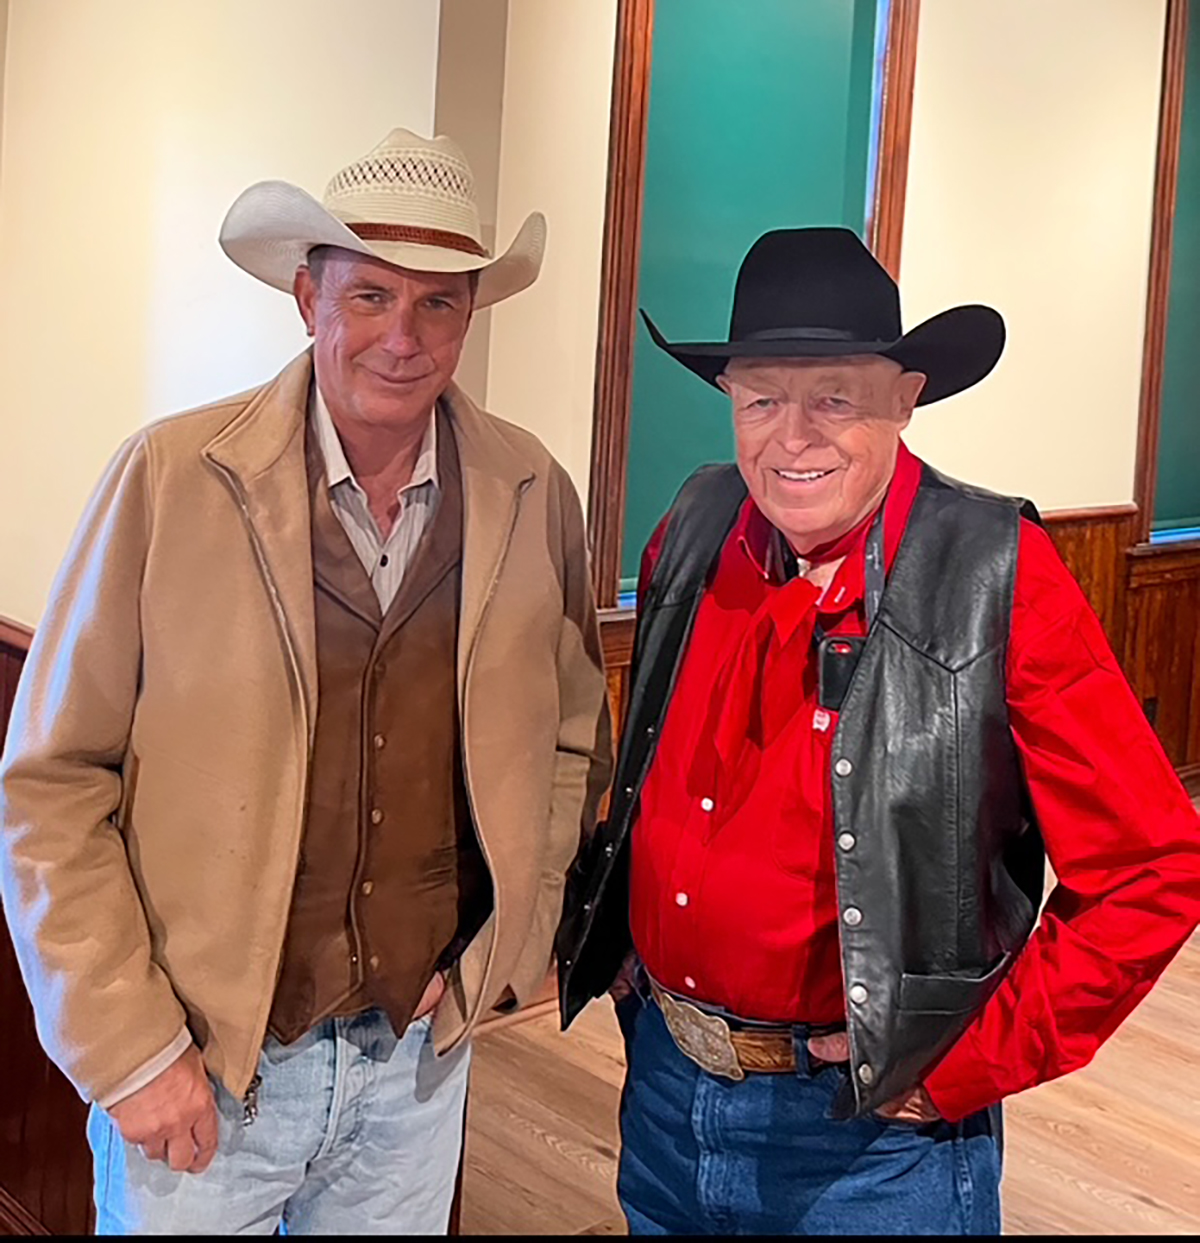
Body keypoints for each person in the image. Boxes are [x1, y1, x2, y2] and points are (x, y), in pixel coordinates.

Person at [0, 127, 612, 1235]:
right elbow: (51, 782)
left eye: (439, 304)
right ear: (306, 296)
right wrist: (128, 1045)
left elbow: (573, 746)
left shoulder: (533, 492)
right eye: (370, 295)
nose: (403, 337)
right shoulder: (172, 481)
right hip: (204, 1070)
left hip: (416, 1067)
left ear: (471, 317)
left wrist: (508, 946)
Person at [556, 227, 1200, 1235]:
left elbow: (1154, 870)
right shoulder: (692, 523)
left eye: (836, 399)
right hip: (667, 1096)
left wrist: (974, 1065)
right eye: (763, 398)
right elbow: (651, 769)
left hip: (872, 1146)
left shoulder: (999, 575)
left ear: (905, 399)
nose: (792, 437)